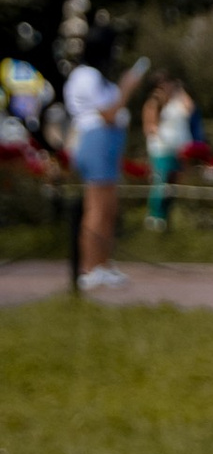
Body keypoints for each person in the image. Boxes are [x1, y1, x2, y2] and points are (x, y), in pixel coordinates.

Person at [66, 46, 130, 290]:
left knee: (109, 208)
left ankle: (103, 264)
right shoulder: (86, 76)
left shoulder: (94, 76)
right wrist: (127, 87)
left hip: (106, 141)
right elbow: (109, 113)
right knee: (97, 208)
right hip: (97, 139)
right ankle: (89, 268)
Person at [142, 75, 199, 232]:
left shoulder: (178, 100)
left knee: (172, 185)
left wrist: (179, 90)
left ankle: (165, 218)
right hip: (161, 149)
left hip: (178, 150)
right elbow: (149, 126)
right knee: (161, 183)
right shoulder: (154, 102)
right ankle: (154, 217)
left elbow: (190, 108)